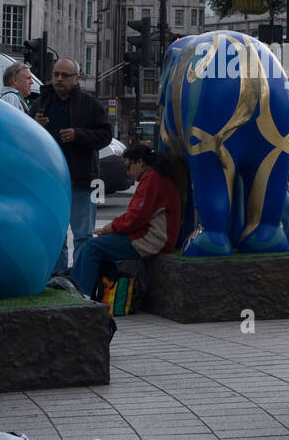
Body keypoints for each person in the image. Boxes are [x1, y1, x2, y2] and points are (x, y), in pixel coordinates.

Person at [70, 143, 180, 298]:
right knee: (96, 245)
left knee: (92, 246)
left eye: (129, 167)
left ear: (140, 162)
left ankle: (81, 294)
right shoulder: (153, 177)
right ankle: (79, 288)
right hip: (149, 235)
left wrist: (111, 227)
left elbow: (136, 217)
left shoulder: (152, 180)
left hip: (152, 239)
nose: (128, 172)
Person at [35, 58, 112, 277]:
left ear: (77, 79)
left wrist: (79, 135)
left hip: (81, 179)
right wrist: (35, 124)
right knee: (55, 234)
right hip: (51, 181)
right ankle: (57, 277)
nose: (59, 79)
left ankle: (80, 278)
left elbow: (106, 135)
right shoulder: (41, 103)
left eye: (65, 75)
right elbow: (24, 134)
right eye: (56, 74)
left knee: (83, 235)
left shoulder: (90, 104)